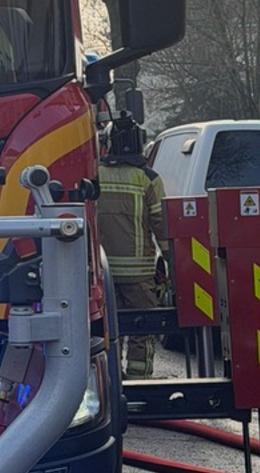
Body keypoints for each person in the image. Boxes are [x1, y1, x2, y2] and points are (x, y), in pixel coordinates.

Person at [97, 112, 169, 379]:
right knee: (142, 329)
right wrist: (173, 264)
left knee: (109, 331)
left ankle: (112, 382)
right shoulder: (148, 179)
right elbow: (162, 227)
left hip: (102, 275)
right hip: (139, 274)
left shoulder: (94, 176)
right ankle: (140, 380)